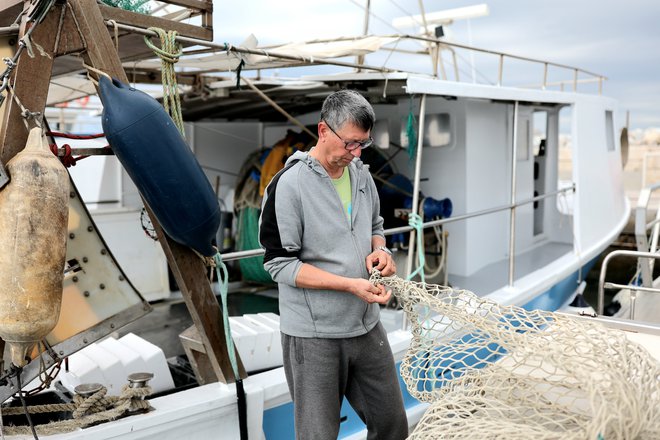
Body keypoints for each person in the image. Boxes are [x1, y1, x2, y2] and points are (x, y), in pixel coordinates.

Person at [259, 89, 408, 440]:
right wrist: (350, 285)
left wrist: (381, 252)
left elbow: (375, 227)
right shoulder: (288, 185)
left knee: (392, 425)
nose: (355, 154)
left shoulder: (360, 175)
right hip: (314, 337)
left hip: (366, 327)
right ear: (324, 130)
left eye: (363, 145)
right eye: (350, 143)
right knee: (318, 435)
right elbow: (279, 264)